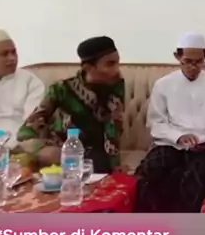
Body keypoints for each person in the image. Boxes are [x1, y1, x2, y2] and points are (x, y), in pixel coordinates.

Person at [134, 33, 205, 212]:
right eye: (187, 61)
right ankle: (151, 223)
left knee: (198, 177)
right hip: (170, 143)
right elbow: (156, 123)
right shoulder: (163, 84)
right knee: (154, 172)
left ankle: (188, 224)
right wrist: (179, 137)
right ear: (177, 57)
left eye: (198, 62)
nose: (193, 67)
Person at [17, 36, 125, 173]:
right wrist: (41, 149)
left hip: (94, 154)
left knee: (98, 163)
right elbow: (27, 129)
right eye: (110, 64)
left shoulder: (116, 85)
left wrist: (115, 165)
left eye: (117, 62)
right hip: (62, 151)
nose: (117, 69)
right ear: (88, 68)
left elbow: (113, 128)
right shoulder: (61, 89)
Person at [0, 29, 45, 149]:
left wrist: (9, 147)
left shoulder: (31, 82)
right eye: (4, 54)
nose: (12, 58)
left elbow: (31, 123)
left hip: (20, 144)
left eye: (14, 52)